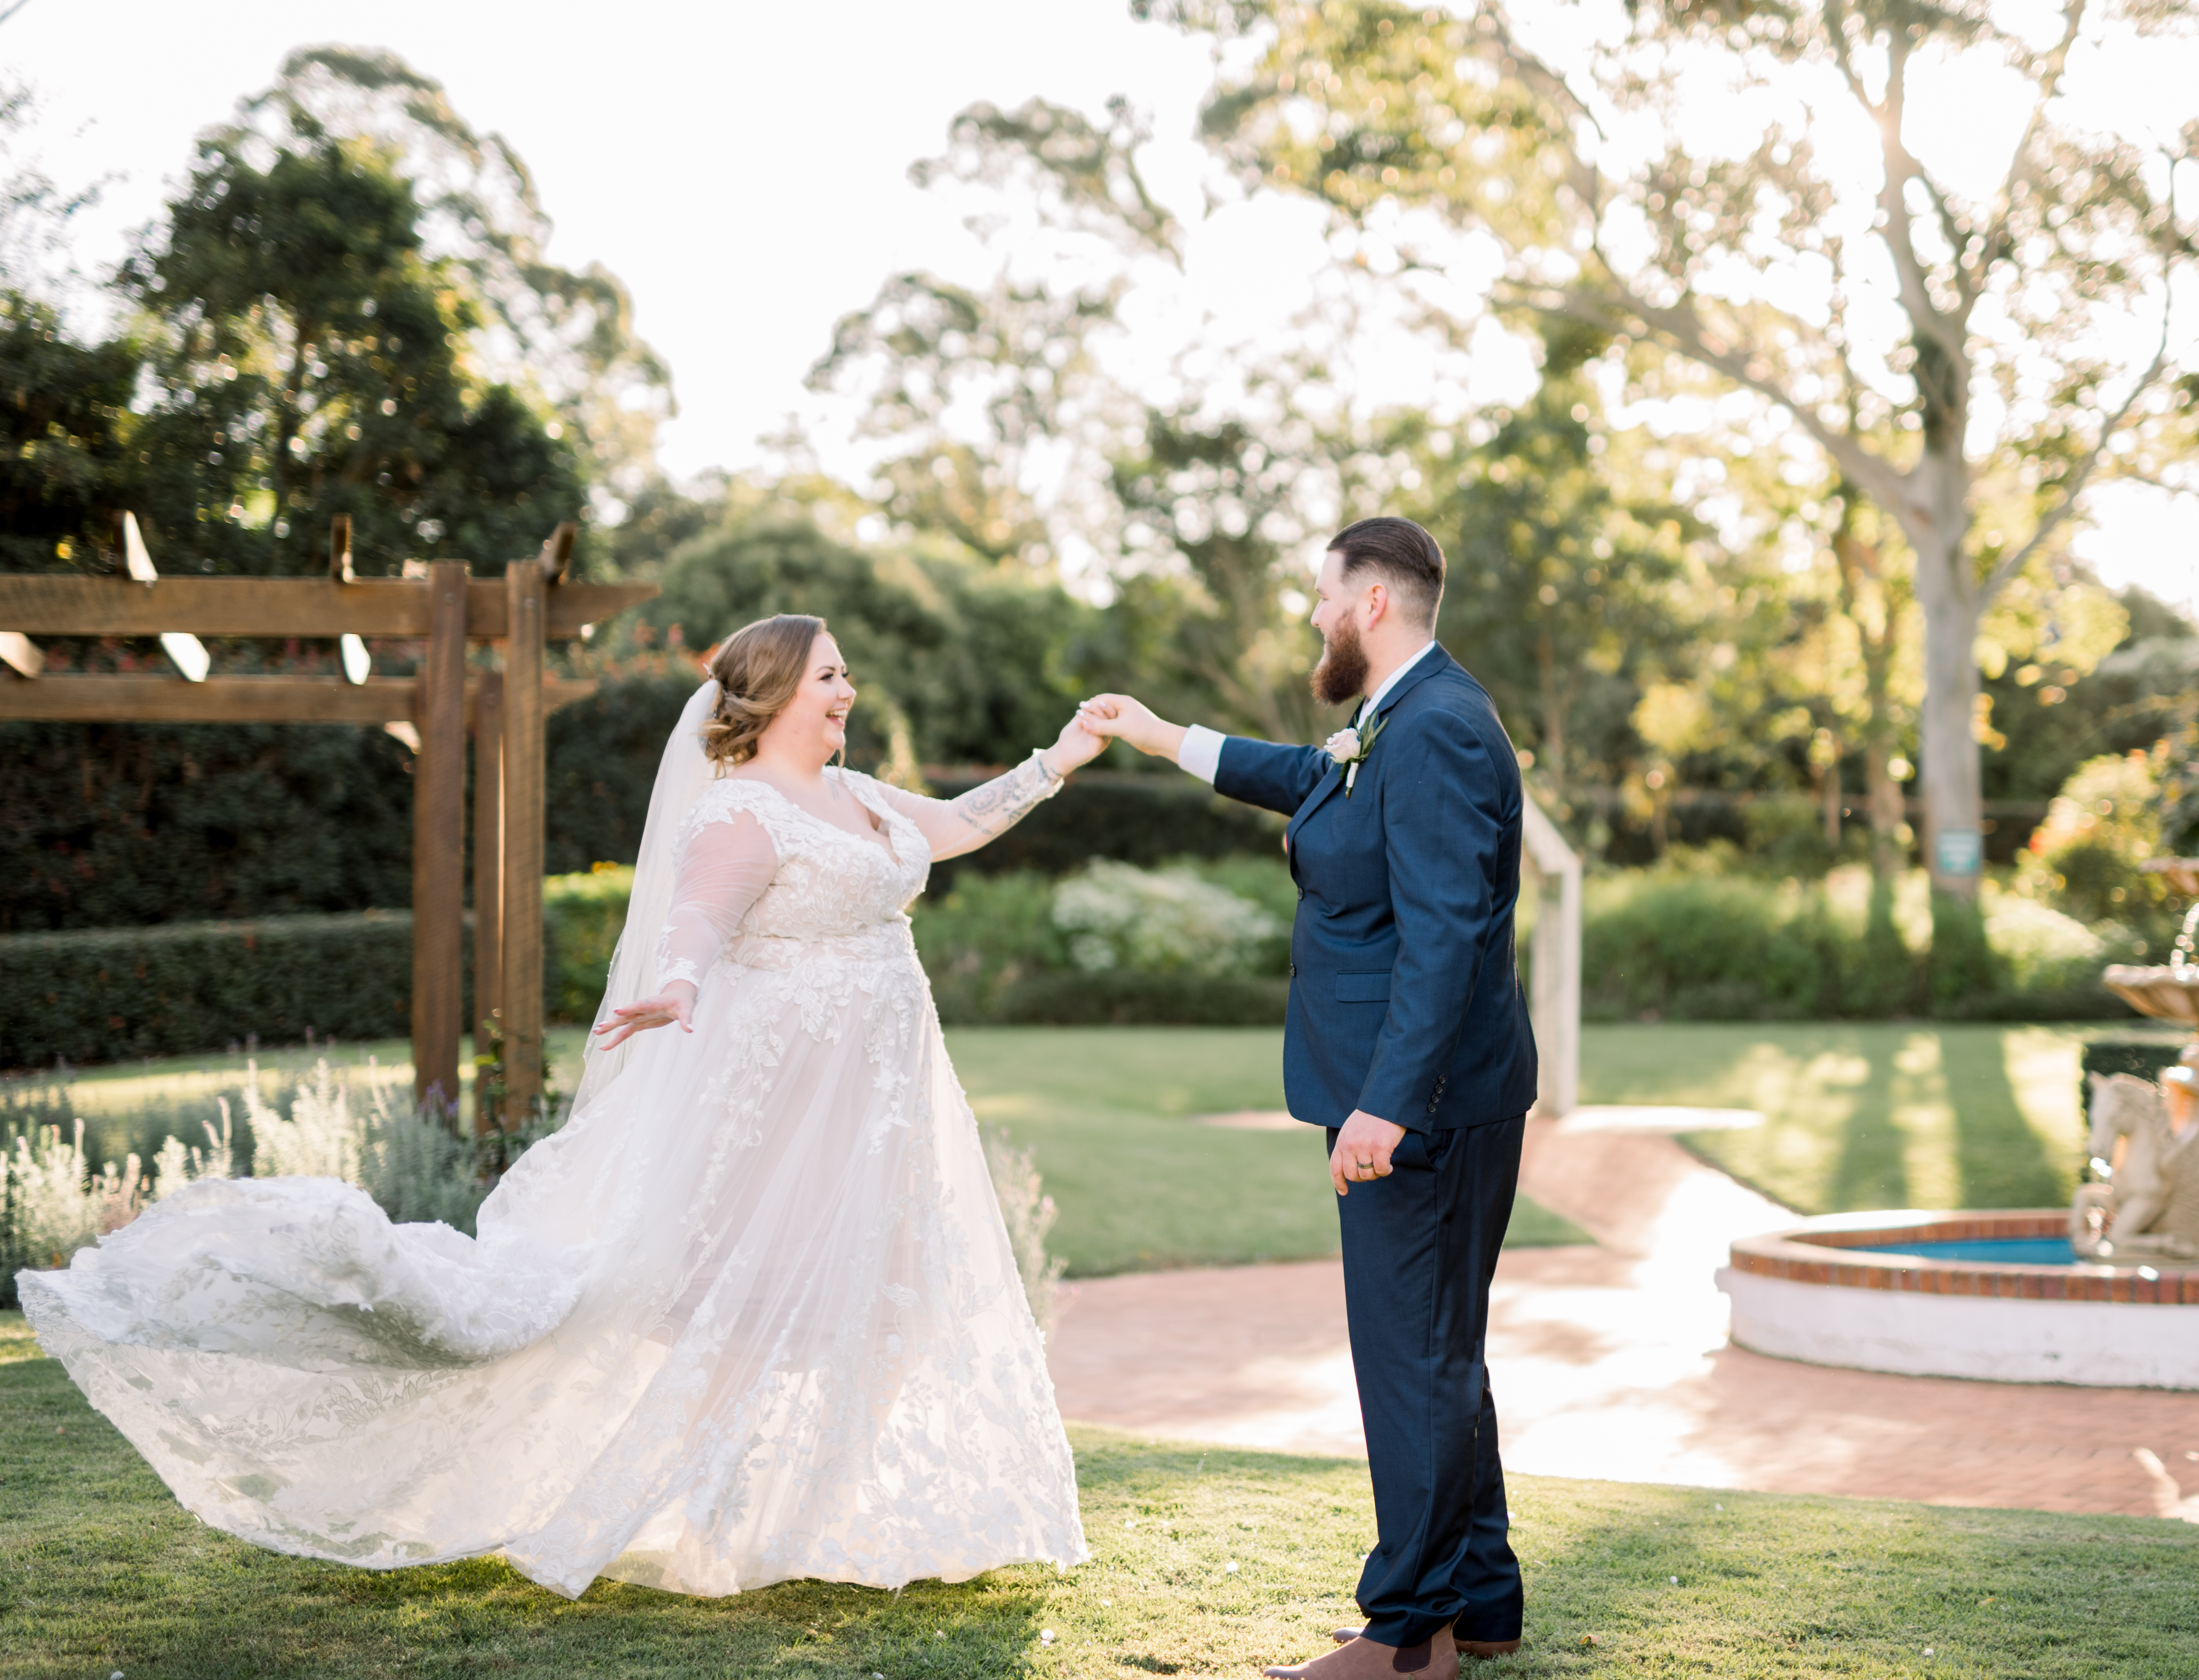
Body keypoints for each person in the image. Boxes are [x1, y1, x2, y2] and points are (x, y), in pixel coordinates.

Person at [18, 613, 1109, 1600]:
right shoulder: (739, 812)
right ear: (774, 693)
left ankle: (831, 1503)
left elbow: (958, 823)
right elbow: (694, 921)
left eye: (844, 673)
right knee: (737, 1284)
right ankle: (733, 1511)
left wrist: (1056, 760)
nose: (848, 689)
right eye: (831, 673)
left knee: (885, 1281)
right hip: (786, 1096)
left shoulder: (861, 795)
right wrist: (676, 984)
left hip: (884, 1094)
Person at [1080, 516, 1538, 1680]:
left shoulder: (1432, 730)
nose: (1313, 615)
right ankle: (1481, 1598)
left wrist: (1387, 1105)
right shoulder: (1405, 714)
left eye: (1321, 595)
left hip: (1417, 1106)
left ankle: (1406, 1637)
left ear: (1371, 601)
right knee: (1441, 1348)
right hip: (1428, 1092)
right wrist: (1155, 733)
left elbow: (1445, 936)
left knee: (1412, 1356)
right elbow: (1310, 779)